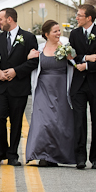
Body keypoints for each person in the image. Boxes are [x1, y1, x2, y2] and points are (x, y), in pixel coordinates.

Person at [0, 8, 39, 166]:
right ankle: (1, 151)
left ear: (10, 19)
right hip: (0, 87)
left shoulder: (29, 37)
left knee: (16, 122)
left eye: (1, 19)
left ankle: (13, 154)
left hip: (19, 87)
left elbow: (33, 61)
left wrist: (16, 71)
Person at [25, 20, 75, 167]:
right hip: (43, 89)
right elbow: (31, 64)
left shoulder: (65, 48)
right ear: (46, 34)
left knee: (59, 123)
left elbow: (75, 64)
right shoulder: (40, 49)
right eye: (55, 31)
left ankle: (58, 155)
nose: (58, 33)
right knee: (43, 122)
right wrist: (29, 57)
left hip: (61, 89)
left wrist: (70, 57)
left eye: (59, 31)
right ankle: (42, 154)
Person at [69, 4, 96, 169]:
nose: (77, 18)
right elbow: (71, 54)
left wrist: (86, 66)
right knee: (79, 121)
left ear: (89, 18)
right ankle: (80, 157)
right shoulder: (74, 34)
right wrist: (86, 58)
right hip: (79, 85)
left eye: (80, 15)